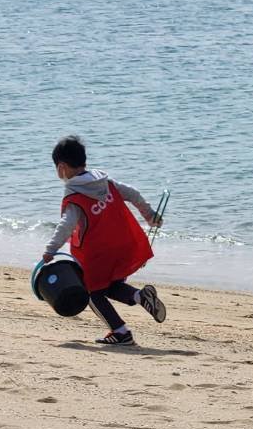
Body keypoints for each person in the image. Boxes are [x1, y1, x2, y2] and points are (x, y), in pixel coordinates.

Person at [42, 136, 167, 346]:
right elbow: (133, 193)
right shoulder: (105, 182)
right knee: (110, 286)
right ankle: (140, 296)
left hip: (99, 253)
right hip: (123, 245)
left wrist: (50, 249)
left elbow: (66, 226)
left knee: (91, 293)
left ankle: (120, 332)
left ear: (62, 167)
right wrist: (149, 214)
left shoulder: (75, 197)